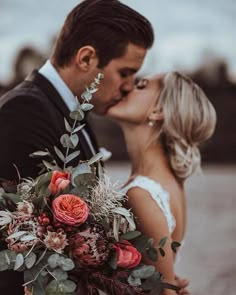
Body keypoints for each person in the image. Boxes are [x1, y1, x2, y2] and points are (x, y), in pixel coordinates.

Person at [0, 0, 154, 294]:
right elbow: (26, 242)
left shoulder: (72, 111)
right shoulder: (24, 110)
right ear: (86, 59)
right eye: (125, 72)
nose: (129, 86)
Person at [107, 71, 217, 294]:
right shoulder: (170, 184)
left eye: (142, 85)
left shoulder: (141, 194)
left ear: (158, 111)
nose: (128, 88)